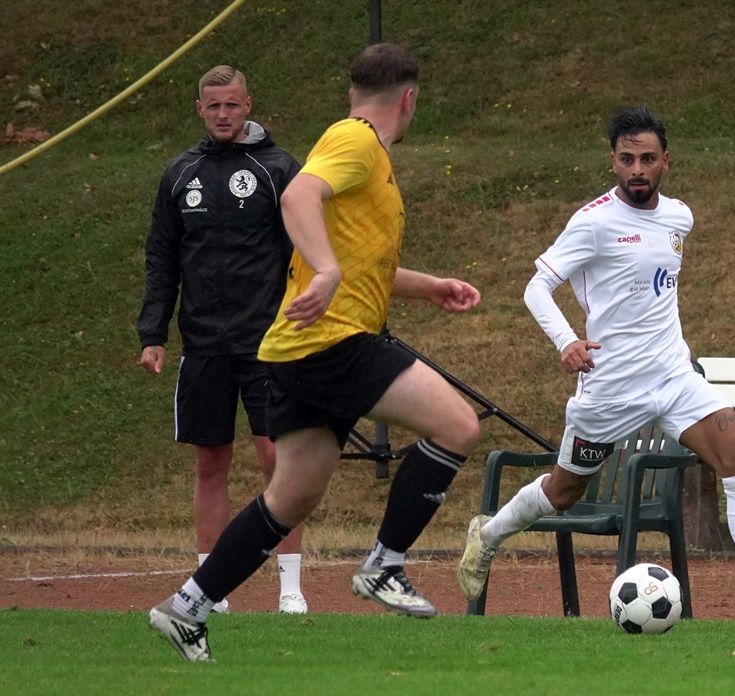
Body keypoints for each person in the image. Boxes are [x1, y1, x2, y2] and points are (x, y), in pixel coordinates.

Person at [149, 43, 482, 661]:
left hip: (297, 347)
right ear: (409, 99)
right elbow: (296, 198)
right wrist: (326, 271)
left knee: (291, 497)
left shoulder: (365, 154)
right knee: (458, 425)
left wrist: (428, 286)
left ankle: (186, 608)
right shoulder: (356, 140)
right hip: (333, 341)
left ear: (354, 91)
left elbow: (356, 260)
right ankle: (385, 564)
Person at [458, 106, 735, 629]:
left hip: (675, 378)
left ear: (665, 161)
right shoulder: (593, 222)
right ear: (613, 162)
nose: (637, 169)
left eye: (647, 159)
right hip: (610, 388)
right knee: (563, 492)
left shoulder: (679, 217)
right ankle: (487, 535)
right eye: (626, 159)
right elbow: (537, 287)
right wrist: (566, 341)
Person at [137, 65, 308, 615]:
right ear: (199, 110)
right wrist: (153, 333)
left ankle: (290, 589)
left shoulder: (278, 168)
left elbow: (306, 252)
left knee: (277, 461)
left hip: (268, 343)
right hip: (203, 345)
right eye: (213, 106)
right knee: (211, 464)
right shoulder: (179, 173)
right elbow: (162, 258)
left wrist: (306, 321)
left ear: (248, 105)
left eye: (232, 104)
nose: (223, 114)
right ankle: (213, 593)